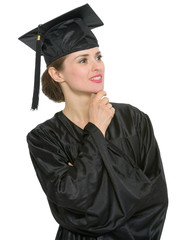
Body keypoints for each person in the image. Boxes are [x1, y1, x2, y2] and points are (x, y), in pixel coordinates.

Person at [19, 4, 168, 240]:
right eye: (82, 60)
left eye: (98, 56)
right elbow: (71, 201)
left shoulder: (134, 120)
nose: (96, 65)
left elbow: (155, 199)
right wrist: (96, 130)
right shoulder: (43, 138)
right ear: (57, 74)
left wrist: (84, 181)